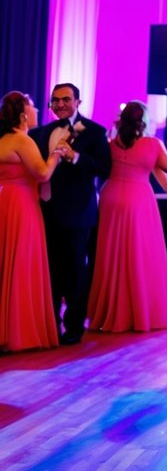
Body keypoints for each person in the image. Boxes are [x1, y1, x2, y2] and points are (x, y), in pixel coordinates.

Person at [87, 101, 167, 333]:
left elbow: (154, 169)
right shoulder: (152, 143)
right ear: (145, 121)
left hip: (110, 197)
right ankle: (138, 310)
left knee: (111, 253)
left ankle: (109, 311)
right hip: (138, 198)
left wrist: (166, 187)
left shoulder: (112, 143)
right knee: (139, 252)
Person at [32, 82, 111, 345]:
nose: (60, 104)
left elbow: (104, 169)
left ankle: (74, 327)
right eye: (55, 100)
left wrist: (76, 156)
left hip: (78, 213)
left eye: (66, 99)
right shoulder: (40, 133)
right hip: (45, 211)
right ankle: (49, 323)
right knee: (49, 270)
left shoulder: (95, 132)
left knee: (76, 271)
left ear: (78, 101)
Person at [0, 91, 66, 352]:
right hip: (22, 205)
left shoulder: (2, 139)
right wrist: (57, 153)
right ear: (24, 114)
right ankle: (20, 332)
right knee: (22, 263)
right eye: (34, 107)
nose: (39, 110)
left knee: (6, 262)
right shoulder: (21, 139)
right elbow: (41, 173)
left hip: (4, 201)